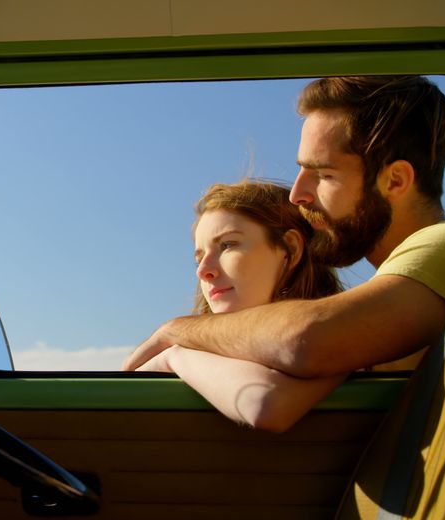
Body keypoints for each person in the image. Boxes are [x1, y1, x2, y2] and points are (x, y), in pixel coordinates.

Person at [123, 75, 445, 388]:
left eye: (323, 175)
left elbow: (305, 340)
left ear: (395, 180)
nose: (297, 195)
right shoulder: (396, 280)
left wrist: (179, 333)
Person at [137, 181, 345, 432]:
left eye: (227, 245)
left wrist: (174, 355)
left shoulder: (338, 331)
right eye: (200, 257)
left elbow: (262, 402)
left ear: (290, 248)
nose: (204, 271)